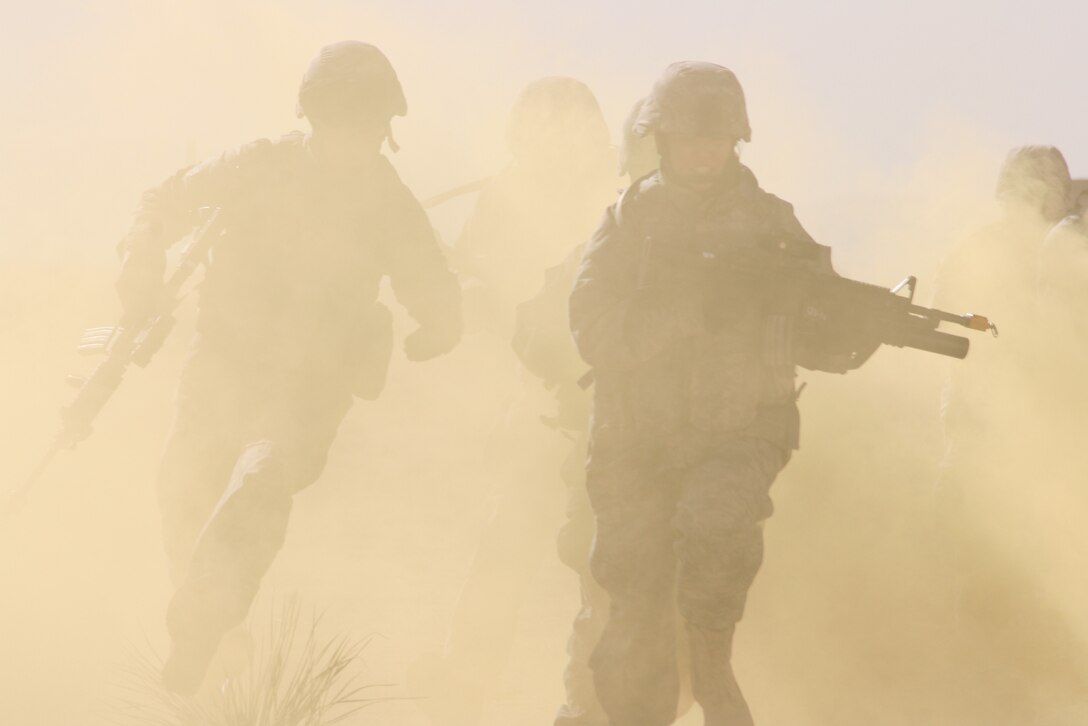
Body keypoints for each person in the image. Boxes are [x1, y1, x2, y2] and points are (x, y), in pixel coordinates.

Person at [114, 40, 462, 695]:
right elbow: (162, 205)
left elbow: (433, 285)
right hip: (222, 366)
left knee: (261, 481)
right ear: (312, 115)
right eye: (339, 119)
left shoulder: (389, 203)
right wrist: (140, 266)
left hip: (310, 389)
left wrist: (439, 329)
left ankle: (202, 627)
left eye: (364, 124)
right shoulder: (257, 167)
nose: (350, 138)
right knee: (181, 487)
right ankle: (220, 633)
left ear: (384, 129)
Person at [569, 62, 875, 725]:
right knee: (632, 629)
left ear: (737, 140)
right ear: (662, 140)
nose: (706, 153)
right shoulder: (628, 224)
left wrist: (849, 336)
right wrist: (684, 313)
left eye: (718, 139)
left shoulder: (772, 224)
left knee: (713, 529)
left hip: (736, 433)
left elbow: (816, 336)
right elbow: (592, 330)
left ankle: (714, 671)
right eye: (691, 138)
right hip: (635, 446)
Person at [410, 77, 620, 726]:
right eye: (542, 130)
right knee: (512, 543)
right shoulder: (508, 195)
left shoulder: (624, 195)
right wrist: (472, 291)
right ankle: (466, 685)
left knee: (608, 564)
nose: (552, 143)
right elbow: (474, 273)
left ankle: (592, 703)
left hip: (621, 402)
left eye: (564, 128)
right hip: (541, 403)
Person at [934, 147, 1088, 722]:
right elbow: (952, 317)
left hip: (1058, 449)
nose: (1029, 206)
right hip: (981, 441)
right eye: (1019, 194)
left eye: (1040, 194)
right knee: (976, 573)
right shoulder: (980, 252)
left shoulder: (1073, 249)